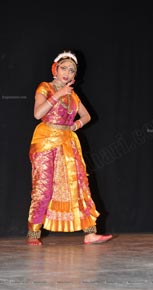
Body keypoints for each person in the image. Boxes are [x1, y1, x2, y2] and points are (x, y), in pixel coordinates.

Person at [27, 50, 112, 246]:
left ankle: (90, 233)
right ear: (55, 69)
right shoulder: (45, 87)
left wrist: (75, 126)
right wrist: (57, 94)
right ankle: (33, 234)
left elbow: (87, 116)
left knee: (79, 186)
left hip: (67, 142)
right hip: (46, 141)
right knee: (44, 187)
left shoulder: (72, 95)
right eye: (64, 68)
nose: (67, 73)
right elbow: (37, 113)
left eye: (72, 70)